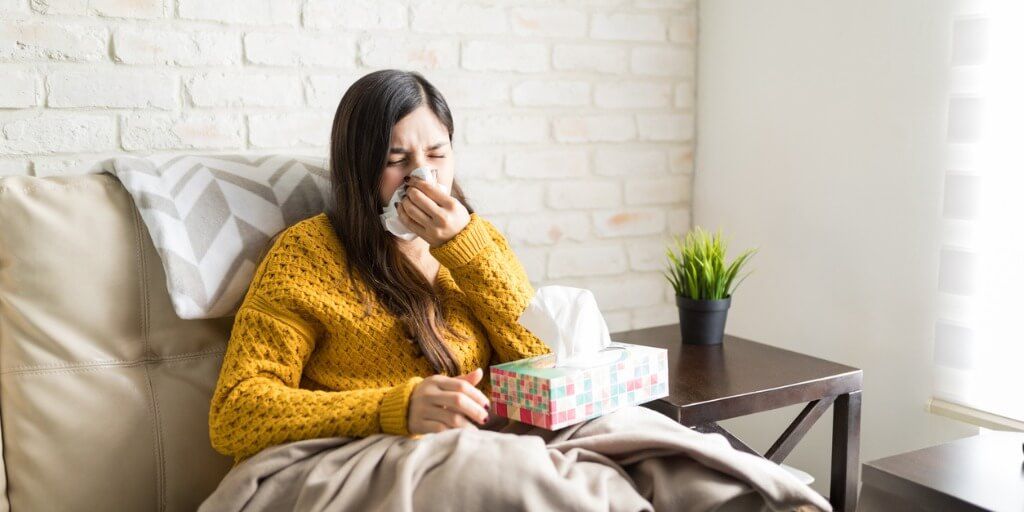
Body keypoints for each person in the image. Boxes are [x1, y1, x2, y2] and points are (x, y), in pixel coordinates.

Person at [207, 68, 550, 467]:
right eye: (396, 160)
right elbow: (234, 413)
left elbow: (543, 365)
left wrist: (466, 250)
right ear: (359, 168)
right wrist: (393, 409)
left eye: (437, 154)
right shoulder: (306, 253)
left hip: (481, 450)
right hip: (358, 461)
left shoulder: (479, 241)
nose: (423, 176)